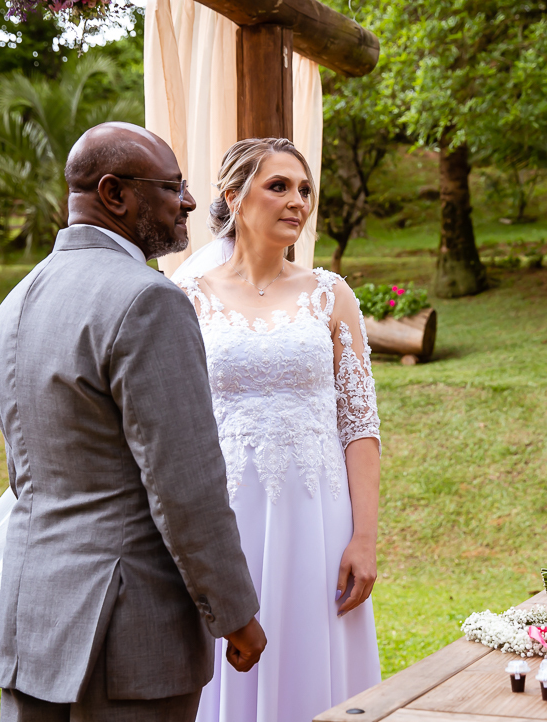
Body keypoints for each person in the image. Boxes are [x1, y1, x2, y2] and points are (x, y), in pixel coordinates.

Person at [0, 122, 266, 722]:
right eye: (172, 186)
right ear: (114, 194)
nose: (189, 201)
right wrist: (235, 613)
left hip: (32, 617)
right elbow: (185, 485)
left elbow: (26, 474)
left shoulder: (12, 306)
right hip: (129, 631)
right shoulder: (148, 302)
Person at [172, 138, 382, 722]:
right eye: (279, 186)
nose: (298, 201)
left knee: (313, 652)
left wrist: (364, 538)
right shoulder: (186, 300)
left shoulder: (331, 295)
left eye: (305, 189)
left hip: (318, 518)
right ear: (234, 196)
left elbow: (359, 425)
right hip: (227, 514)